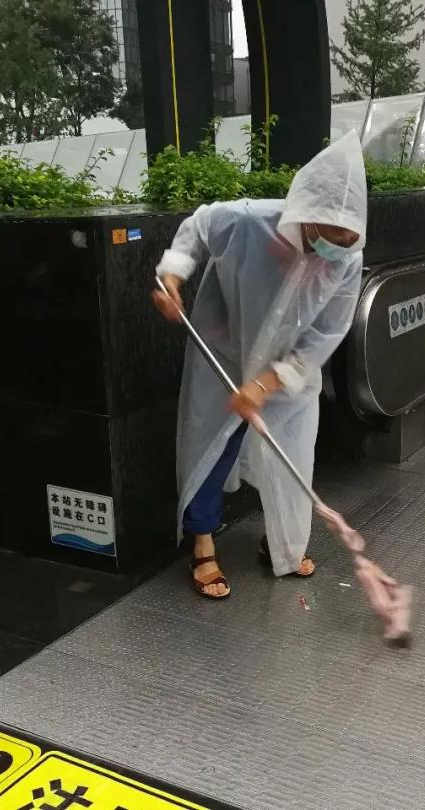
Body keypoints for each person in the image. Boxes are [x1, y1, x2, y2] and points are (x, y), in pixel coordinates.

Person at [151, 131, 367, 600]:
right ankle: (203, 542)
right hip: (224, 353)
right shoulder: (250, 221)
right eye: (332, 237)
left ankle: (283, 548)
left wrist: (269, 381)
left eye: (348, 239)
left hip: (289, 372)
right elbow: (198, 226)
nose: (338, 248)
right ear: (307, 217)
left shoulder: (346, 258)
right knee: (212, 447)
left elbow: (328, 330)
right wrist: (173, 276)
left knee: (293, 458)